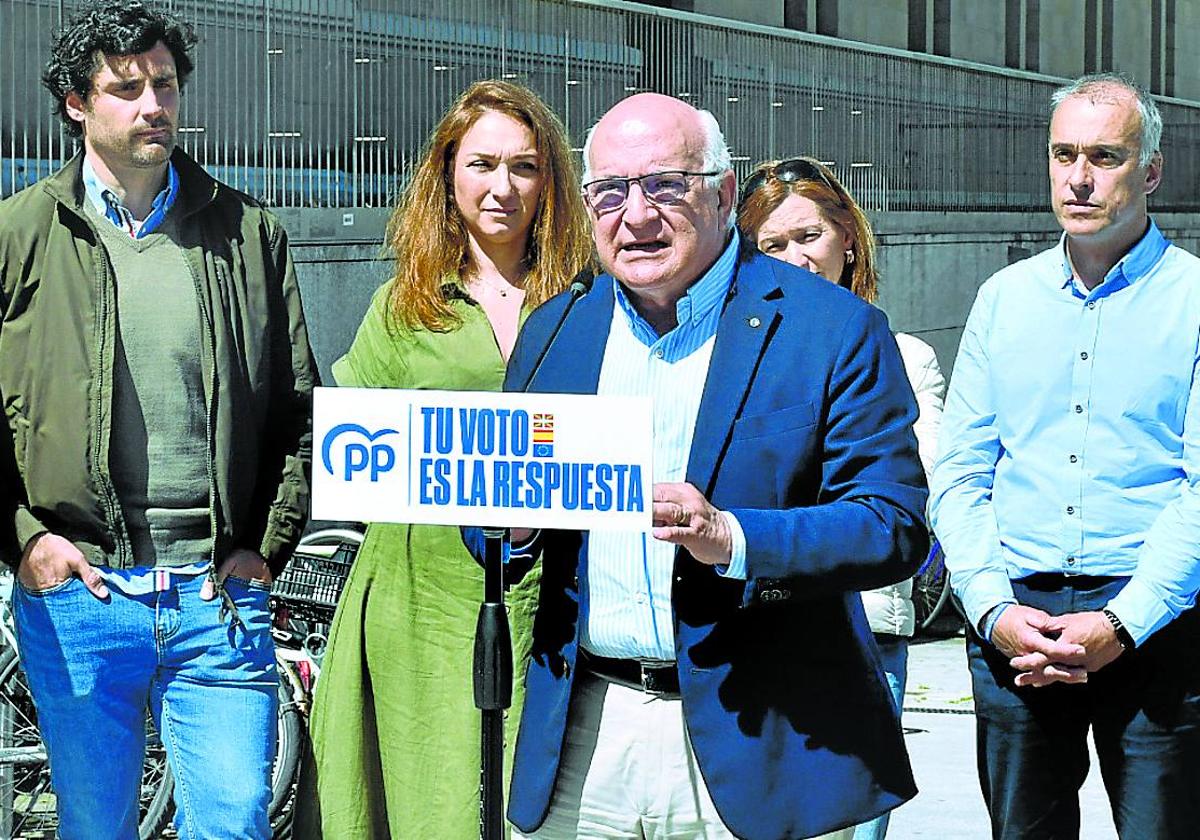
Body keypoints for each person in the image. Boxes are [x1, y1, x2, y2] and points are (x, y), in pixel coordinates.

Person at [489, 93, 928, 840]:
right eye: (609, 192)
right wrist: (518, 527)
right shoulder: (557, 330)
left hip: (760, 736)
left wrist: (733, 538)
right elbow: (492, 530)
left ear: (724, 193)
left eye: (665, 184)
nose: (635, 215)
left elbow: (891, 524)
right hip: (586, 735)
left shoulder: (833, 329)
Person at [0, 1, 317, 837]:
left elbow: (299, 413)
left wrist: (264, 547)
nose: (154, 105)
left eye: (166, 84)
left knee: (236, 819)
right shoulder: (19, 235)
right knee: (95, 827)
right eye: (126, 87)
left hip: (218, 596)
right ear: (76, 102)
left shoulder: (247, 233)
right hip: (79, 594)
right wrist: (25, 538)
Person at [296, 80, 591, 839]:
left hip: (551, 596)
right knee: (433, 801)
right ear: (447, 174)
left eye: (524, 167)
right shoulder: (405, 302)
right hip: (417, 597)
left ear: (550, 180)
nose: (502, 186)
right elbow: (353, 452)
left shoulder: (592, 299)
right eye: (482, 164)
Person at [930, 72, 1200, 839]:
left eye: (1105, 156)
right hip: (1017, 619)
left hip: (1158, 620)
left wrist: (1124, 620)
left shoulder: (1194, 299)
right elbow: (959, 473)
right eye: (1064, 154)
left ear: (1149, 171)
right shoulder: (1003, 299)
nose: (1079, 177)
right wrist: (991, 608)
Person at [737, 156, 944, 840]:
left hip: (865, 635)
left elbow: (910, 493)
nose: (795, 259)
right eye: (772, 245)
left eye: (809, 237)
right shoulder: (726, 366)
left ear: (848, 238)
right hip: (756, 635)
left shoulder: (904, 357)